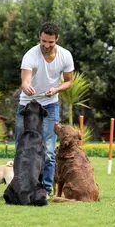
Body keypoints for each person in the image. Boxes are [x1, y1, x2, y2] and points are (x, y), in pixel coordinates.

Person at [15, 22, 74, 197]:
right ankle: (20, 187)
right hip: (27, 105)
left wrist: (56, 89)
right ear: (39, 36)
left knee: (48, 150)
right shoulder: (30, 55)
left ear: (57, 39)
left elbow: (69, 81)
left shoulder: (65, 56)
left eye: (50, 42)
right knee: (21, 147)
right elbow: (25, 79)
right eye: (43, 41)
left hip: (50, 105)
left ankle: (46, 190)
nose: (46, 45)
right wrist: (26, 86)